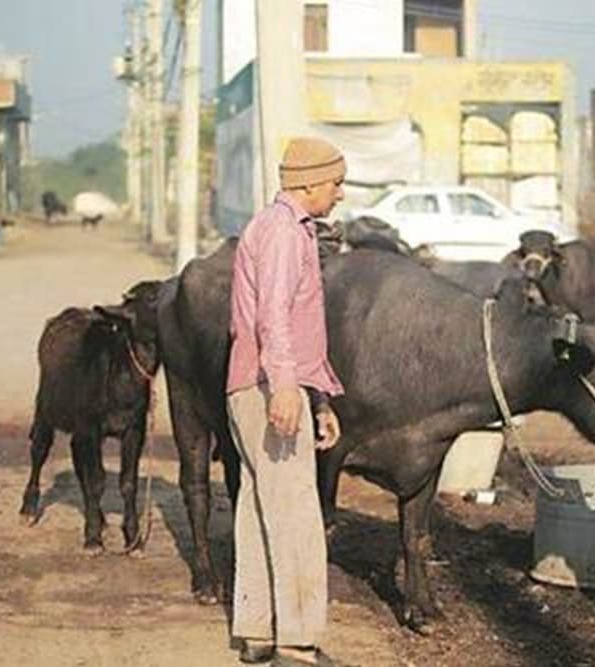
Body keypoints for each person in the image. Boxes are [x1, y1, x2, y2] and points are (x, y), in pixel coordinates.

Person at [226, 137, 346, 667]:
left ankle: (255, 629)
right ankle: (296, 641)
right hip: (266, 386)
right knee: (297, 509)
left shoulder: (286, 229)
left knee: (259, 505)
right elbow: (272, 315)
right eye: (336, 183)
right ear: (309, 182)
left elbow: (298, 326)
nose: (340, 194)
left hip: (257, 383)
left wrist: (318, 398)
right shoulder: (282, 232)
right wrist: (285, 387)